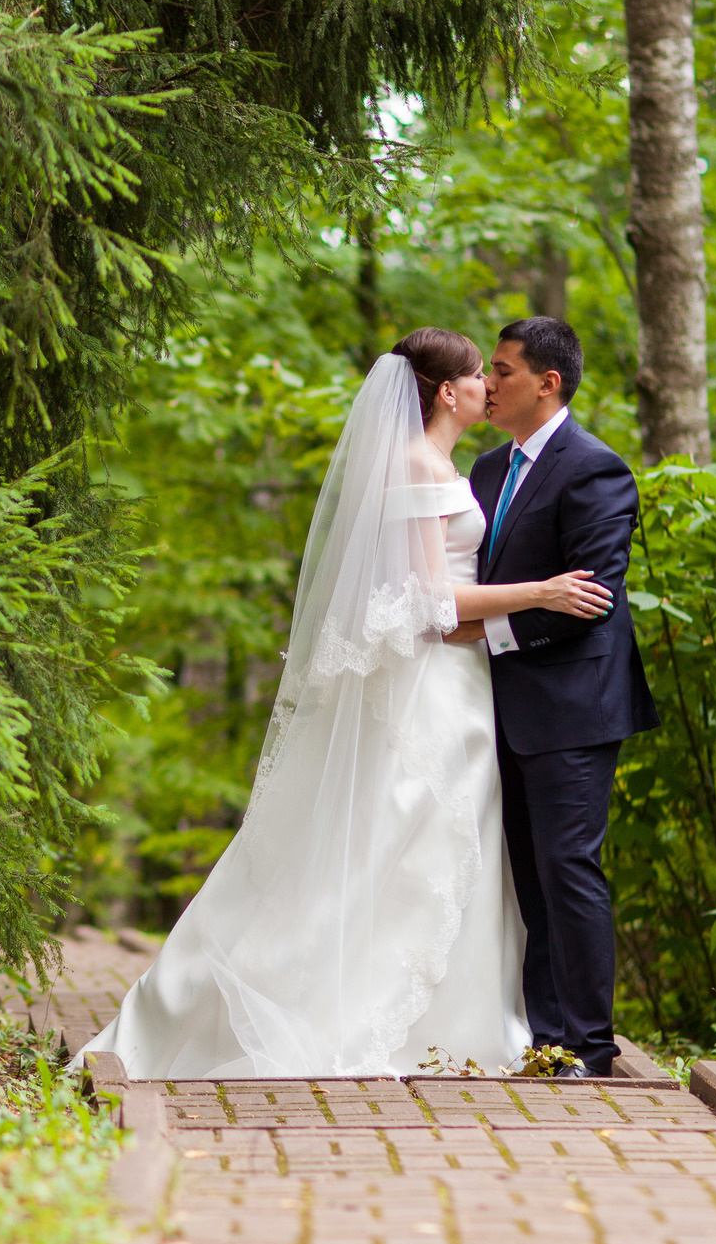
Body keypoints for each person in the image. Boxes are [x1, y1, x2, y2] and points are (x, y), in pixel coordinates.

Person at [77, 329, 613, 1079]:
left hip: (463, 679)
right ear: (445, 391)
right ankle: (352, 1012)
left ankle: (461, 1022)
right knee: (397, 840)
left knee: (441, 846)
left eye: (498, 373)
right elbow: (428, 599)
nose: (489, 386)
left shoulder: (461, 466)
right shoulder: (418, 464)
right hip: (435, 685)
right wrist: (544, 591)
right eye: (477, 374)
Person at [463, 318, 658, 1080]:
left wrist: (491, 633)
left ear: (549, 383)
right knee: (525, 873)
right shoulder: (483, 472)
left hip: (574, 705)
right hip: (495, 709)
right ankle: (544, 1037)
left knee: (568, 865)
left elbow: (594, 597)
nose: (490, 384)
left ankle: (592, 1047)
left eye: (504, 371)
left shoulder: (596, 470)